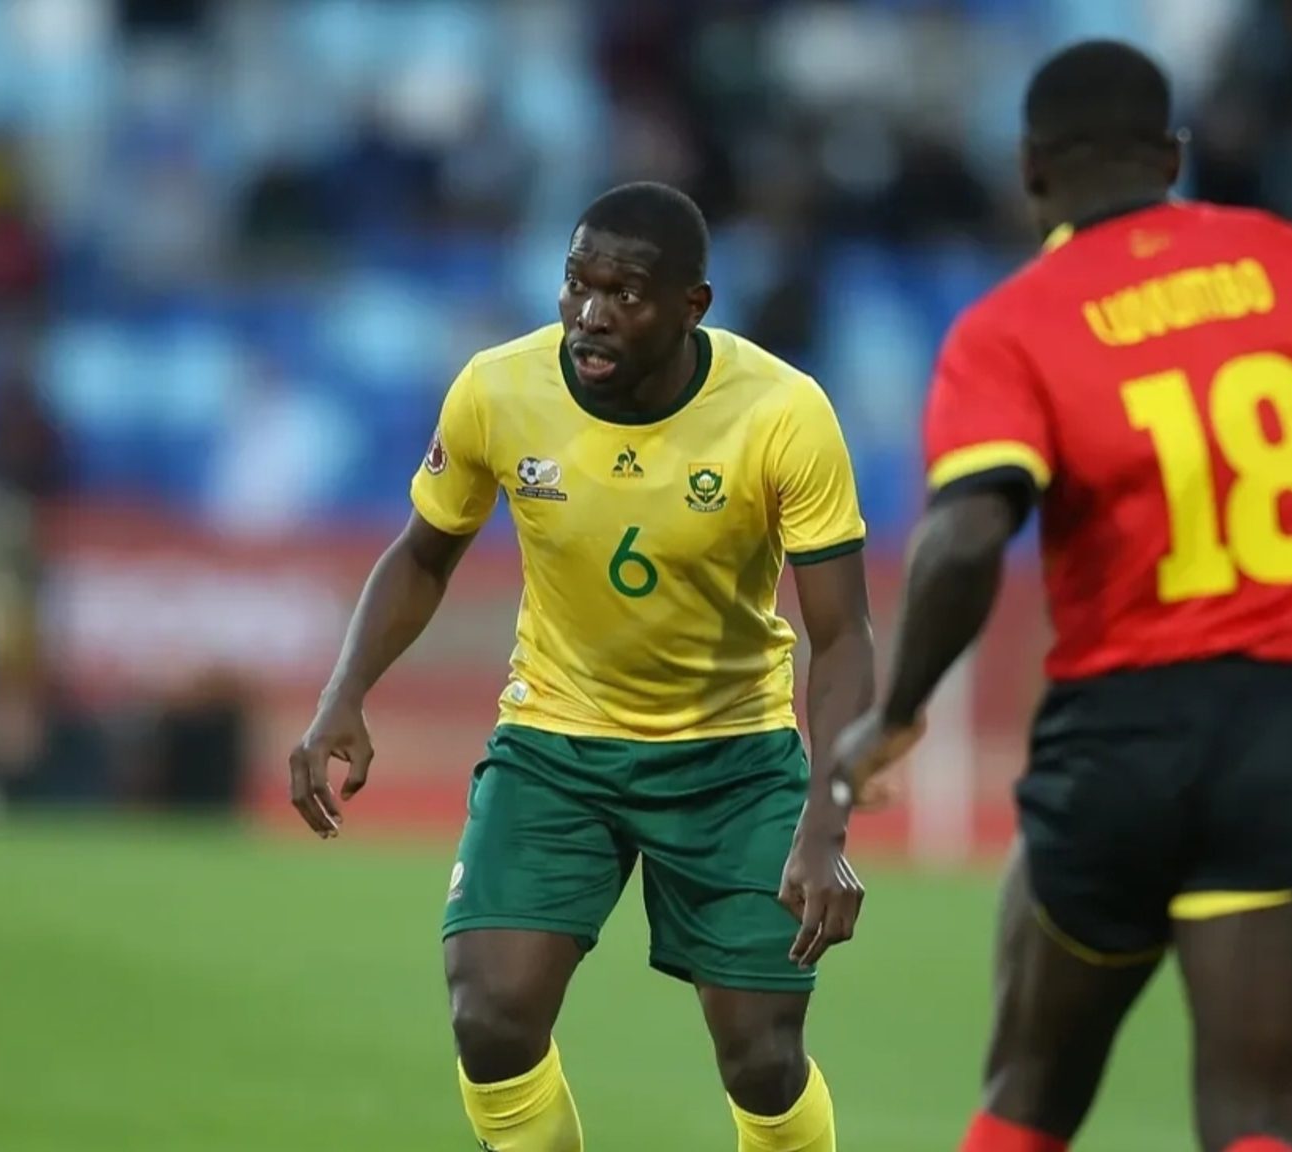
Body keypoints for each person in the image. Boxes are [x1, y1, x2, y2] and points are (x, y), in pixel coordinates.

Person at [832, 40, 1292, 1152]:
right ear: (1174, 156)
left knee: (1029, 1094)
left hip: (1118, 739)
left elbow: (958, 542)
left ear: (1030, 169)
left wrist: (893, 711)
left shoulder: (1013, 323)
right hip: (1288, 735)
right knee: (1257, 1125)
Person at [291, 182, 875, 1152]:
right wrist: (342, 694)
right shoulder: (497, 390)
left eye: (627, 294)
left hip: (730, 760)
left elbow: (845, 634)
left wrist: (827, 821)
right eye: (576, 283)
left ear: (693, 307)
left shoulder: (782, 413)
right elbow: (421, 553)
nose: (590, 315)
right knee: (490, 1019)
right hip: (553, 745)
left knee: (763, 1063)